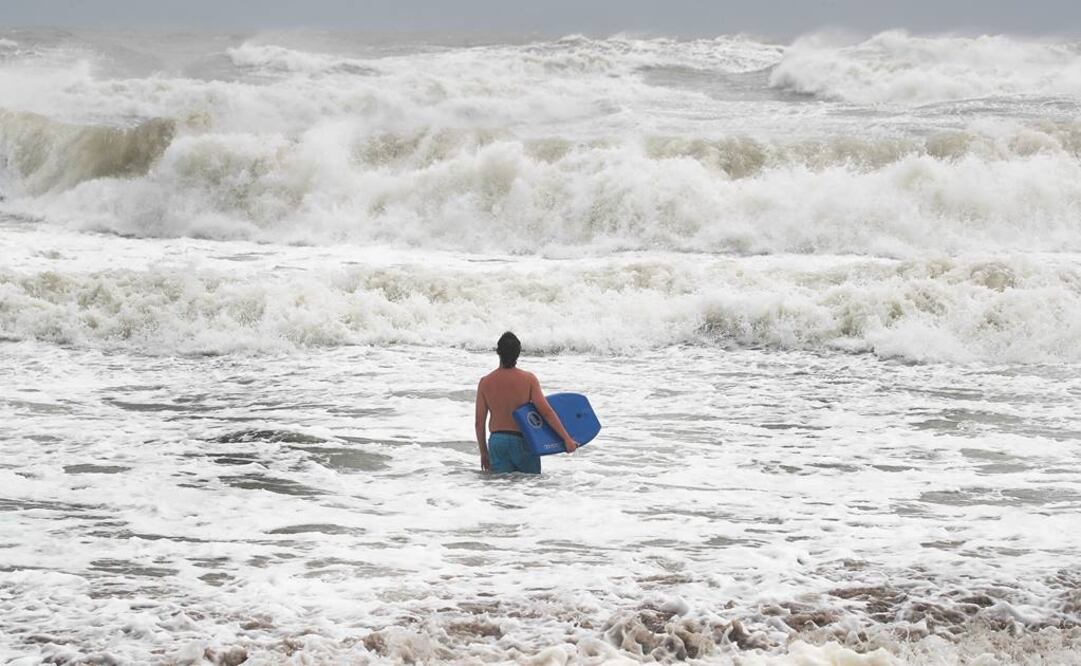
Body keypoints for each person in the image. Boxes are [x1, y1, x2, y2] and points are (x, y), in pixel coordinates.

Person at [474, 332, 578, 473]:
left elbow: (479, 423)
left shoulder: (485, 382)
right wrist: (566, 439)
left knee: (500, 491)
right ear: (518, 353)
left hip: (497, 443)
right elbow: (546, 412)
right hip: (523, 441)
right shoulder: (528, 380)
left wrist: (484, 453)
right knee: (528, 490)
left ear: (498, 352)